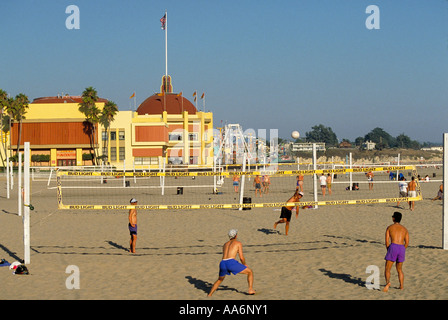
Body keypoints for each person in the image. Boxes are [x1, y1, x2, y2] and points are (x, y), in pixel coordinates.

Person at [208, 229, 255, 296]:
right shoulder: (238, 243)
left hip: (223, 263)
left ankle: (209, 294)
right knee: (250, 272)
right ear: (236, 235)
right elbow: (241, 257)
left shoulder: (225, 244)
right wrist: (244, 264)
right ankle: (250, 289)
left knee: (219, 280)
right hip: (231, 262)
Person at [383, 212, 409, 292]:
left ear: (394, 218)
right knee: (399, 269)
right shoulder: (404, 229)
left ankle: (388, 283)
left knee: (387, 268)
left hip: (393, 246)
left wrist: (389, 249)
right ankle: (401, 286)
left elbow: (387, 241)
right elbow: (407, 243)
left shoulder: (390, 227)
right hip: (401, 248)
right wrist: (402, 249)